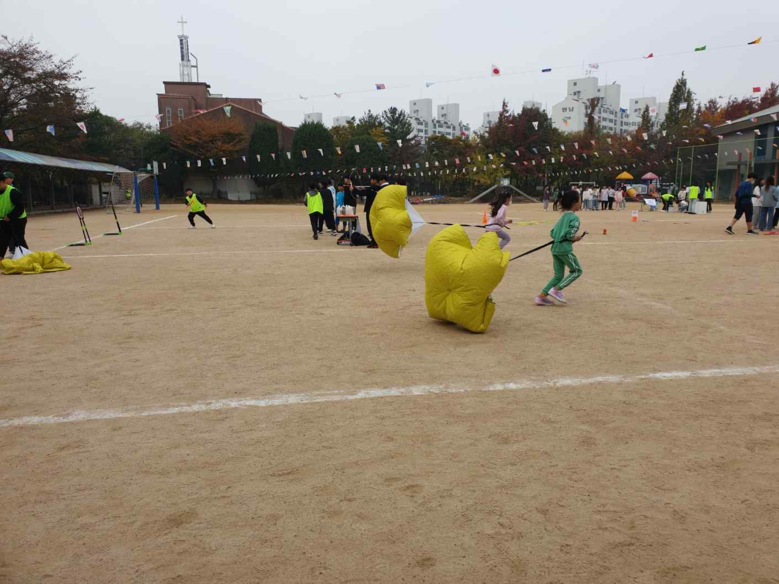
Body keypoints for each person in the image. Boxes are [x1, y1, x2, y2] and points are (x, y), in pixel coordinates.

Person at [535, 190, 584, 306]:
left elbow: (552, 232)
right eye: (580, 200)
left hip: (555, 249)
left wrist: (561, 237)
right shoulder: (574, 218)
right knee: (577, 270)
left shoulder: (562, 217)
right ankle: (557, 290)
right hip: (564, 249)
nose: (581, 202)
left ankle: (541, 297)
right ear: (575, 202)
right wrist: (576, 238)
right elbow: (570, 235)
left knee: (558, 275)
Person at [0, 171, 28, 258]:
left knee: (18, 239)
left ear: (2, 182)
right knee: (3, 239)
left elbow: (20, 208)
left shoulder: (13, 192)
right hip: (3, 219)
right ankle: (1, 258)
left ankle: (26, 257)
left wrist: (9, 216)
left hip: (18, 219)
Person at [365, 173, 388, 248]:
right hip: (378, 210)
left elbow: (363, 193)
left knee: (371, 226)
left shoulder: (374, 188)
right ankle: (376, 241)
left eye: (372, 180)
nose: (371, 181)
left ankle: (374, 242)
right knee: (375, 226)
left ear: (375, 180)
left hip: (372, 209)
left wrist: (354, 190)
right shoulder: (380, 188)